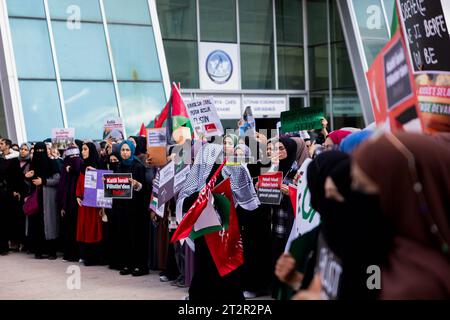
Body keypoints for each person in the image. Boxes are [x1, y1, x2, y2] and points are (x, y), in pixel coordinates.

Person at [352, 132, 450, 299]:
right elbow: (371, 283)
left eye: (363, 186)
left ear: (402, 192)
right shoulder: (386, 249)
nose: (352, 195)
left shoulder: (419, 289)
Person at [176, 142, 244, 301]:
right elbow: (184, 202)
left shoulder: (230, 170)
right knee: (205, 266)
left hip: (225, 228)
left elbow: (241, 199)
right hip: (204, 229)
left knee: (226, 268)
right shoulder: (198, 176)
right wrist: (202, 195)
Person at [112, 140, 149, 276]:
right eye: (123, 150)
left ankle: (140, 266)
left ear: (132, 151)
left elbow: (144, 188)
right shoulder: (118, 166)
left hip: (136, 209)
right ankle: (127, 264)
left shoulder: (138, 167)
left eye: (127, 150)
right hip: (122, 208)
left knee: (136, 238)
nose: (125, 153)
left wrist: (136, 184)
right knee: (124, 236)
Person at [25, 142, 60, 259]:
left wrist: (44, 181)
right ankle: (38, 251)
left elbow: (57, 180)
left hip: (48, 198)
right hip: (35, 198)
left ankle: (51, 252)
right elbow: (26, 182)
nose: (40, 153)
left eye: (42, 151)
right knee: (36, 224)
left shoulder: (52, 163)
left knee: (49, 224)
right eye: (37, 151)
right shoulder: (32, 164)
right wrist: (26, 177)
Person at [76, 142, 103, 266]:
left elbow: (104, 183)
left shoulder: (98, 165)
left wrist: (96, 172)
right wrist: (77, 196)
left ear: (91, 151)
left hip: (95, 205)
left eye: (85, 149)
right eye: (82, 149)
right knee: (85, 229)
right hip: (84, 204)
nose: (83, 151)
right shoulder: (82, 166)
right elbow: (79, 184)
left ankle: (95, 257)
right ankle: (85, 255)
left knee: (94, 229)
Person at [57, 145, 82, 262]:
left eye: (77, 155)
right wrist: (62, 205)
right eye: (72, 156)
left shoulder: (79, 169)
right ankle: (69, 253)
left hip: (78, 204)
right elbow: (62, 188)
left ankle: (77, 253)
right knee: (68, 230)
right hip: (67, 205)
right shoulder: (65, 172)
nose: (75, 158)